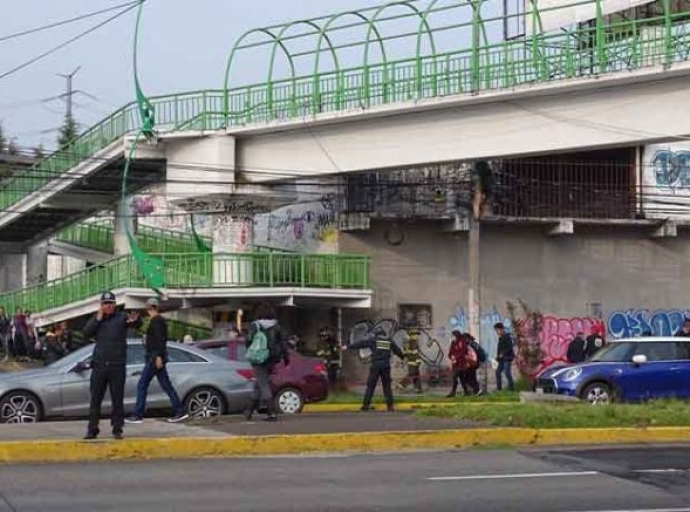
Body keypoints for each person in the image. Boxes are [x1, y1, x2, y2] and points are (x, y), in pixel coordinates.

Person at [82, 291, 141, 440]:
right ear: (101, 306)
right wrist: (98, 318)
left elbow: (135, 323)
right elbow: (86, 333)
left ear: (115, 305)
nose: (108, 306)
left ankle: (117, 429)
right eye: (105, 304)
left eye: (111, 304)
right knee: (95, 398)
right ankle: (92, 429)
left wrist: (135, 319)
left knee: (117, 399)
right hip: (100, 365)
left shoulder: (121, 317)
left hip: (117, 365)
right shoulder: (98, 319)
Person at [126, 299, 189, 424]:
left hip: (154, 358)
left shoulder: (156, 321)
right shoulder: (157, 321)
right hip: (155, 357)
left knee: (142, 384)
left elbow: (160, 340)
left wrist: (158, 356)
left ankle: (138, 414)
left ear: (149, 307)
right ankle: (180, 410)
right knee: (166, 385)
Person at [244, 303, 289, 422]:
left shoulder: (255, 325)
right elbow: (283, 344)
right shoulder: (277, 326)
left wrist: (251, 350)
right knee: (259, 383)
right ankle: (248, 411)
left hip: (259, 359)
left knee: (263, 384)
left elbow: (248, 340)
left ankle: (271, 412)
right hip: (272, 359)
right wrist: (286, 358)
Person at [342, 327, 405, 412]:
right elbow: (398, 351)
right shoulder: (389, 341)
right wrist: (403, 357)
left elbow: (361, 344)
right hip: (386, 366)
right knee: (387, 387)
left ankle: (365, 406)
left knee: (370, 386)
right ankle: (390, 407)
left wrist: (348, 347)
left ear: (376, 334)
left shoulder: (373, 341)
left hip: (376, 365)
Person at [447, 331, 479, 397]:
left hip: (462, 363)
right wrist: (451, 357)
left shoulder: (462, 342)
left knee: (455, 376)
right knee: (461, 378)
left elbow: (463, 351)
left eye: (453, 336)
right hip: (455, 363)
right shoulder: (453, 343)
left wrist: (456, 356)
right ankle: (466, 391)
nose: (452, 338)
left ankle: (453, 392)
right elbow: (450, 352)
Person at [494, 323, 515, 392]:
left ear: (502, 329)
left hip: (507, 358)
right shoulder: (500, 338)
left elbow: (509, 347)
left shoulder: (507, 336)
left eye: (497, 330)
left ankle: (512, 389)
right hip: (502, 359)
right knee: (497, 372)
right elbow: (499, 349)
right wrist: (497, 357)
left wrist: (502, 354)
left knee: (507, 372)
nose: (497, 332)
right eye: (496, 330)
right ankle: (499, 389)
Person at [402, 329, 423, 394]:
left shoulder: (411, 342)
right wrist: (418, 360)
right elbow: (414, 353)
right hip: (413, 361)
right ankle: (402, 384)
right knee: (412, 374)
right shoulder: (412, 342)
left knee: (416, 375)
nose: (417, 336)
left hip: (413, 361)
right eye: (416, 334)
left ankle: (418, 389)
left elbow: (409, 352)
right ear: (412, 335)